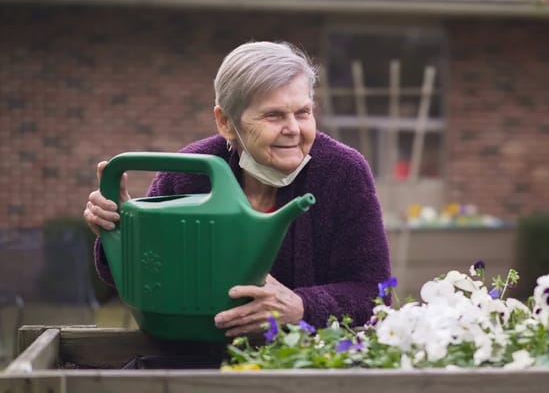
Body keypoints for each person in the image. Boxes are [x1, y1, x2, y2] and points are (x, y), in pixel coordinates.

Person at [83, 41, 391, 337]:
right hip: (193, 354)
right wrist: (124, 231)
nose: (294, 129)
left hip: (306, 363)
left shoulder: (342, 172)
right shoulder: (190, 170)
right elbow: (140, 279)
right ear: (226, 122)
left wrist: (302, 307)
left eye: (303, 112)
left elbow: (374, 293)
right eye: (274, 115)